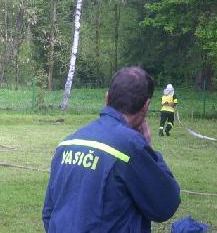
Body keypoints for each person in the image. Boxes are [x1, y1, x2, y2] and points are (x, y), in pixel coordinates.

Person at [42, 67, 181, 232]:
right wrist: (150, 148)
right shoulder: (131, 146)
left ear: (107, 99)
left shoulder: (68, 143)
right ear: (146, 105)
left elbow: (50, 213)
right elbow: (165, 204)